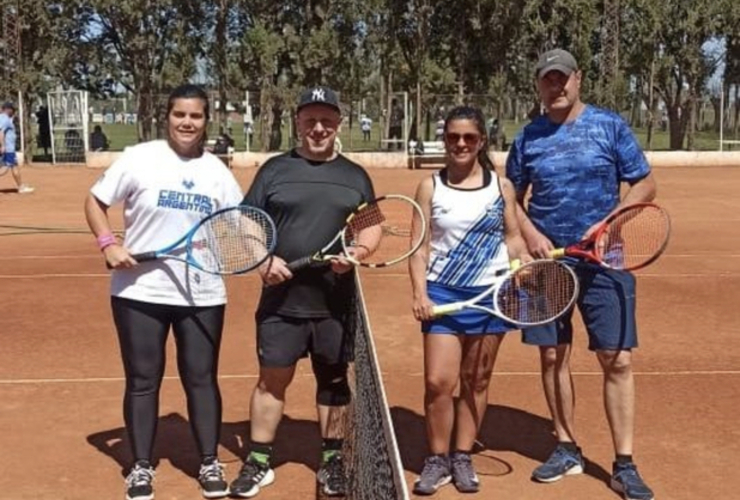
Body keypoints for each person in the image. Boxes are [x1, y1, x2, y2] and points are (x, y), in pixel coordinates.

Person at [505, 49, 657, 500]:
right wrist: (528, 233)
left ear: (578, 79)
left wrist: (612, 223)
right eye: (547, 80)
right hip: (548, 262)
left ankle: (624, 464)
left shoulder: (609, 126)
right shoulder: (528, 137)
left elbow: (645, 183)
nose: (556, 87)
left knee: (618, 359)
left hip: (603, 261)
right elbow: (510, 193)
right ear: (539, 85)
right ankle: (566, 445)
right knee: (553, 356)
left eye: (563, 79)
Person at [84, 84, 244, 500]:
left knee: (201, 379)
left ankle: (209, 460)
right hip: (139, 290)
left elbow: (238, 229)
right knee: (142, 380)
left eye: (195, 116)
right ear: (167, 117)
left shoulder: (218, 173)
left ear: (206, 120)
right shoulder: (141, 158)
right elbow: (95, 200)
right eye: (179, 115)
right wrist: (109, 244)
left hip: (202, 294)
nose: (187, 123)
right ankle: (139, 467)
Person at [228, 86, 376, 498]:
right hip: (282, 303)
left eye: (326, 120)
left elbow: (371, 224)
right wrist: (261, 260)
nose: (318, 128)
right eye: (310, 120)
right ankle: (258, 461)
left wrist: (359, 252)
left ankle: (332, 461)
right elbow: (249, 221)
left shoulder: (355, 176)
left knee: (332, 382)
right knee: (271, 379)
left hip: (334, 303)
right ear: (298, 122)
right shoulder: (274, 170)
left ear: (338, 124)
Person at [408, 106, 532, 495]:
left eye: (469, 138)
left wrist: (521, 259)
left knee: (476, 380)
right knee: (437, 382)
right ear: (444, 140)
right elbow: (419, 248)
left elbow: (512, 236)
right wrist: (420, 293)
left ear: (481, 142)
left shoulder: (501, 187)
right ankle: (437, 458)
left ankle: (462, 455)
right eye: (452, 137)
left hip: (491, 295)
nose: (460, 144)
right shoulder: (430, 186)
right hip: (443, 294)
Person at [0, 102, 34, 193]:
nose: (13, 112)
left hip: (8, 148)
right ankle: (21, 187)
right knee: (7, 168)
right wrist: (3, 145)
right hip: (8, 149)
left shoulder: (4, 118)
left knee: (10, 167)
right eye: (12, 109)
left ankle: (21, 186)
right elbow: (1, 132)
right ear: (8, 109)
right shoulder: (4, 119)